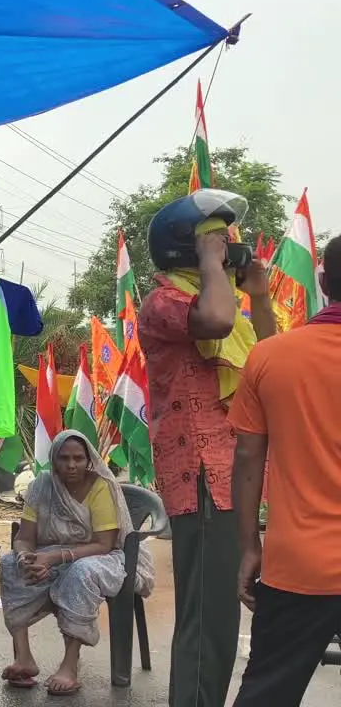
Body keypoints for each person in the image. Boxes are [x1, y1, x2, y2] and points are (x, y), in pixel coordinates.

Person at [138, 188, 276, 707]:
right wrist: (214, 266)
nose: (229, 246)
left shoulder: (221, 302)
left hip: (231, 473)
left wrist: (258, 295)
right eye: (217, 240)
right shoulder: (164, 302)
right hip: (200, 475)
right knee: (208, 617)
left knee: (218, 614)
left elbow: (270, 356)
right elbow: (215, 321)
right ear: (186, 250)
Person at [228, 236, 341, 705]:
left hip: (298, 564)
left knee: (267, 695)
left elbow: (248, 459)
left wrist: (250, 547)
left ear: (322, 280)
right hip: (299, 566)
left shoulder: (271, 358)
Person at [0, 430, 152, 696]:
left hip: (102, 557)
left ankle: (70, 665)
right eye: (64, 458)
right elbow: (24, 538)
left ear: (88, 460)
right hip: (52, 552)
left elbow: (104, 544)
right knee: (10, 564)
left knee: (80, 573)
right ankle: (24, 658)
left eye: (78, 458)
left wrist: (53, 558)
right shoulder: (41, 487)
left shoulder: (100, 486)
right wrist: (26, 557)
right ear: (53, 460)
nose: (72, 465)